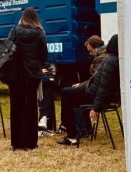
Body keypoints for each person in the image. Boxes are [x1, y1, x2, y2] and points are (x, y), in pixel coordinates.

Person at [58, 34, 119, 146]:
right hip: (97, 94)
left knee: (66, 93)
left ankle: (71, 134)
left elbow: (103, 88)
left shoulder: (108, 61)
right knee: (69, 94)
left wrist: (96, 108)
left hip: (93, 94)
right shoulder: (115, 60)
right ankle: (75, 129)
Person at [7, 8, 48, 150]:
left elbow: (7, 50)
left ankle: (17, 143)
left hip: (15, 74)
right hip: (32, 74)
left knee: (16, 107)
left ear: (22, 17)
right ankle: (31, 142)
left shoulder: (15, 30)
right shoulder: (39, 33)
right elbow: (44, 55)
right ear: (35, 18)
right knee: (31, 107)